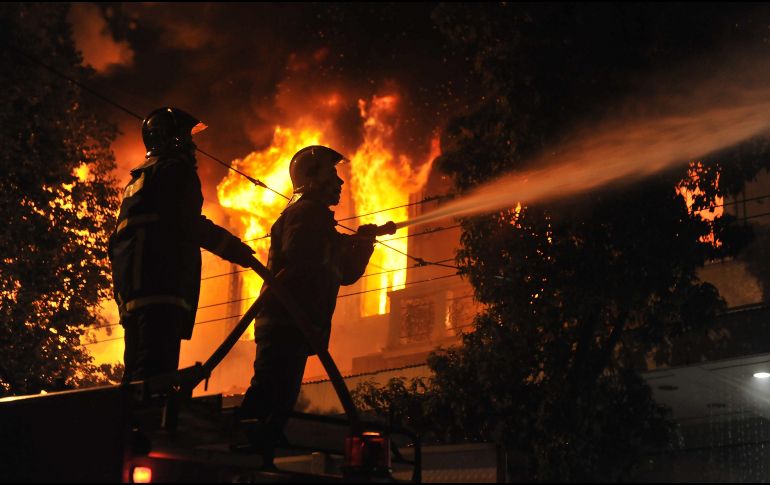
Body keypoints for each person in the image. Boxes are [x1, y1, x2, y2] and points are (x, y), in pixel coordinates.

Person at [238, 145, 377, 466]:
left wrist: (363, 244)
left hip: (299, 323)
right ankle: (245, 436)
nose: (339, 183)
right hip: (286, 318)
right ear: (310, 178)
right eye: (332, 175)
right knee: (271, 387)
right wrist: (342, 242)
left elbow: (345, 273)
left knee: (282, 394)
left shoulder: (317, 219)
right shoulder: (304, 213)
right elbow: (303, 257)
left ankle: (264, 437)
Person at [109, 107, 257, 383]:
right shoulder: (175, 170)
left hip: (134, 293)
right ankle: (148, 423)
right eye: (187, 137)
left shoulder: (139, 179)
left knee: (137, 376)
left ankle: (131, 424)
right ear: (172, 137)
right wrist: (233, 248)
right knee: (155, 379)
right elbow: (188, 222)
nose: (193, 145)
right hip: (163, 286)